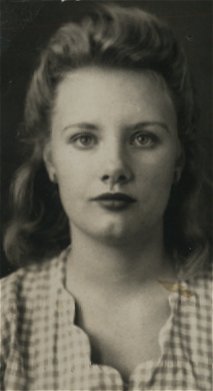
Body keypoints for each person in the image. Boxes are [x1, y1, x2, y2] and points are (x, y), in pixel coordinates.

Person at [1, 2, 212, 390]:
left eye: (143, 138)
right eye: (84, 139)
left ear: (178, 160)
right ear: (51, 160)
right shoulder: (8, 319)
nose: (115, 165)